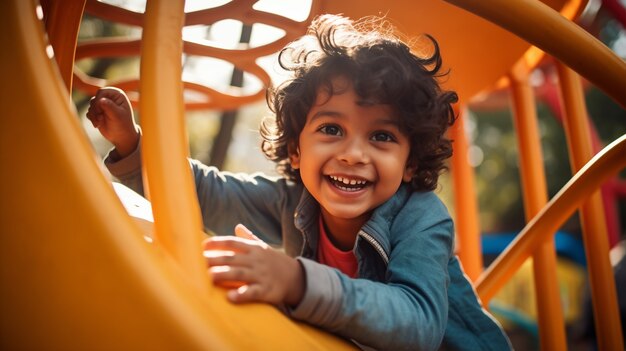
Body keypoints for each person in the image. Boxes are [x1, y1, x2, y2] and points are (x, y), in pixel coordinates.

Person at [87, 14, 511, 351]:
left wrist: (297, 280)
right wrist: (133, 145)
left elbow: (418, 324)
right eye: (331, 129)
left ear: (409, 164)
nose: (352, 153)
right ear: (295, 149)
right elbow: (209, 195)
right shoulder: (292, 201)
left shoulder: (421, 218)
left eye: (381, 136)